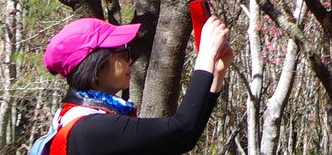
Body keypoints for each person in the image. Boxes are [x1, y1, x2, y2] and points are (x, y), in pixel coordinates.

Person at [39, 14, 232, 155]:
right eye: (122, 53)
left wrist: (216, 75)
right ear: (94, 66)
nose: (129, 61)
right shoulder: (89, 128)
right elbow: (181, 129)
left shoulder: (80, 120)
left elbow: (184, 140)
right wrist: (206, 54)